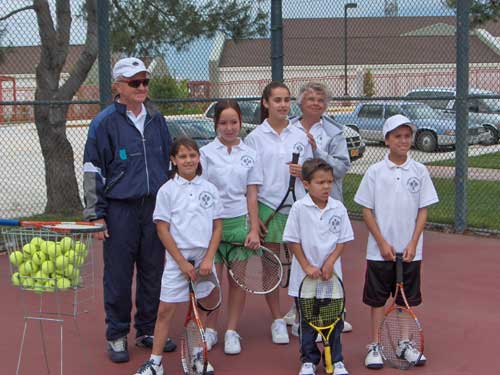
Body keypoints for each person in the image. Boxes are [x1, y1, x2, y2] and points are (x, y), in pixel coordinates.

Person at [82, 57, 176, 363]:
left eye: (145, 82)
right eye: (135, 82)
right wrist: (96, 213)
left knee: (153, 271)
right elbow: (92, 169)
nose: (142, 87)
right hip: (120, 210)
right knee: (119, 276)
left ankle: (147, 330)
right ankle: (117, 334)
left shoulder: (156, 118)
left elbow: (168, 162)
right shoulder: (104, 122)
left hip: (155, 209)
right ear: (118, 86)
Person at [354, 114, 439, 369]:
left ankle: (404, 344)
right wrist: (381, 242)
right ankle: (376, 345)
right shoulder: (375, 172)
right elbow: (366, 210)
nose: (403, 140)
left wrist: (413, 243)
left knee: (405, 301)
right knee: (378, 301)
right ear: (387, 140)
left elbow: (423, 210)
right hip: (379, 252)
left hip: (411, 252)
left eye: (407, 136)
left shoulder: (420, 171)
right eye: (397, 136)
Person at [134, 137, 223, 375]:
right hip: (178, 262)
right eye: (182, 156)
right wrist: (182, 263)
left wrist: (208, 259)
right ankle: (155, 362)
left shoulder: (210, 189)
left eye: (192, 155)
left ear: (198, 158)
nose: (188, 160)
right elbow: (162, 229)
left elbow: (217, 227)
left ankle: (197, 355)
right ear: (173, 160)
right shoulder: (167, 191)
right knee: (165, 311)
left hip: (204, 261)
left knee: (201, 309)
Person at [245, 81, 313, 345]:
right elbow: (250, 183)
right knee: (270, 267)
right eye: (277, 100)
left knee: (302, 265)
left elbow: (312, 174)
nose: (283, 105)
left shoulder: (300, 135)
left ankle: (298, 315)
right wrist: (254, 217)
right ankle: (276, 320)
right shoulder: (254, 138)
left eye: (286, 100)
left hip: (298, 208)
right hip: (267, 208)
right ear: (266, 103)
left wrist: (303, 171)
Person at [286, 82, 353, 334]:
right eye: (311, 98)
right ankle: (299, 308)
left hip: (325, 206)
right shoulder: (289, 128)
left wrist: (318, 152)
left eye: (321, 100)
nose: (316, 103)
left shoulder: (334, 132)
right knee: (300, 256)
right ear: (301, 102)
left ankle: (334, 309)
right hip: (295, 204)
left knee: (328, 257)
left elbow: (342, 168)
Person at [200, 100, 262, 355]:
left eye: (234, 122)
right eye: (223, 123)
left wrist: (254, 229)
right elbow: (201, 192)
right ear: (216, 124)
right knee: (211, 281)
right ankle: (211, 329)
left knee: (237, 282)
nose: (229, 128)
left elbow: (251, 194)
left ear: (240, 123)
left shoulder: (250, 154)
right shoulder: (205, 153)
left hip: (239, 224)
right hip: (211, 226)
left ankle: (232, 331)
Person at [283, 158, 354, 375]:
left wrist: (330, 262)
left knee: (334, 320)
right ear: (306, 184)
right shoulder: (298, 208)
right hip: (304, 280)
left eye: (329, 182)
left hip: (331, 280)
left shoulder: (338, 208)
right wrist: (306, 265)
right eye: (320, 182)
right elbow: (292, 240)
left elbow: (343, 240)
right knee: (307, 322)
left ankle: (336, 359)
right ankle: (309, 360)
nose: (326, 187)